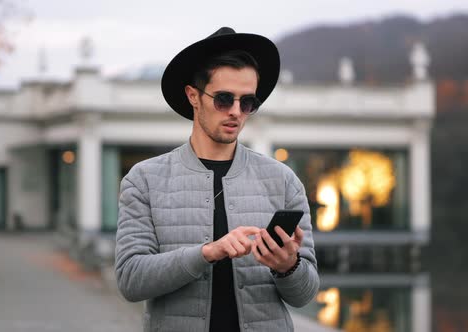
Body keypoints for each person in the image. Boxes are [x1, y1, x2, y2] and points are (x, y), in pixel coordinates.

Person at [115, 27, 319, 332]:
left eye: (247, 102)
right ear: (193, 96)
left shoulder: (283, 180)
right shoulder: (144, 180)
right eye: (224, 99)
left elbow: (305, 295)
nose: (236, 112)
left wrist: (288, 266)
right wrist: (207, 252)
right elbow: (131, 280)